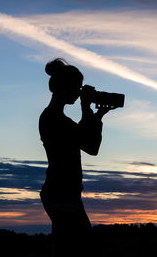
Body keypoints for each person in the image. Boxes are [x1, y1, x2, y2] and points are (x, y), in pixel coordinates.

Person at [39, 58, 115, 256]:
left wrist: (95, 117)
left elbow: (88, 143)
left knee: (70, 249)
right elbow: (90, 145)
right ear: (62, 87)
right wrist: (87, 110)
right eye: (77, 87)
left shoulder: (58, 119)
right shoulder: (52, 119)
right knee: (78, 249)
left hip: (64, 193)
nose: (79, 93)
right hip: (61, 194)